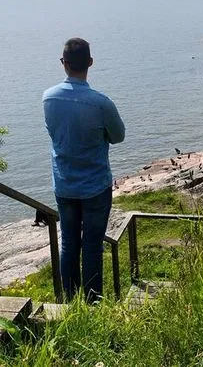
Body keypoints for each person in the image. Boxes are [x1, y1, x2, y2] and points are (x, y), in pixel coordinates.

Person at [43, 38, 125, 303]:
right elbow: (118, 136)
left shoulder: (49, 98)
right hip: (95, 186)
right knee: (92, 246)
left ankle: (69, 301)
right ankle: (92, 304)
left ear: (63, 63)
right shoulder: (101, 103)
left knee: (69, 243)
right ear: (90, 62)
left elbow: (54, 132)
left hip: (64, 185)